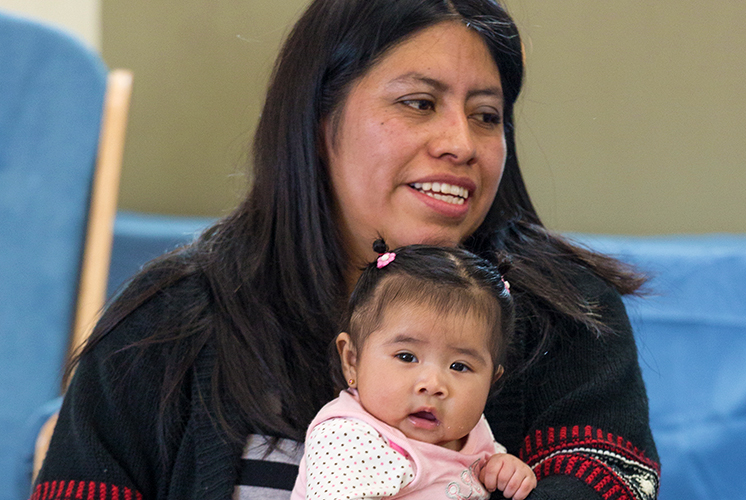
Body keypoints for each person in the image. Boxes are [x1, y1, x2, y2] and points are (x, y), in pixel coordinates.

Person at [35, 1, 661, 499]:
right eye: (419, 103)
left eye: (487, 115)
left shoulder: (569, 313)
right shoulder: (168, 320)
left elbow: (613, 476)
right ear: (317, 119)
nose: (461, 143)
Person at [291, 244, 536, 500]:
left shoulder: (472, 432)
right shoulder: (349, 436)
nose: (433, 384)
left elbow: (489, 467)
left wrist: (504, 469)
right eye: (407, 357)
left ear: (491, 381)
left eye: (459, 366)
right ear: (352, 360)